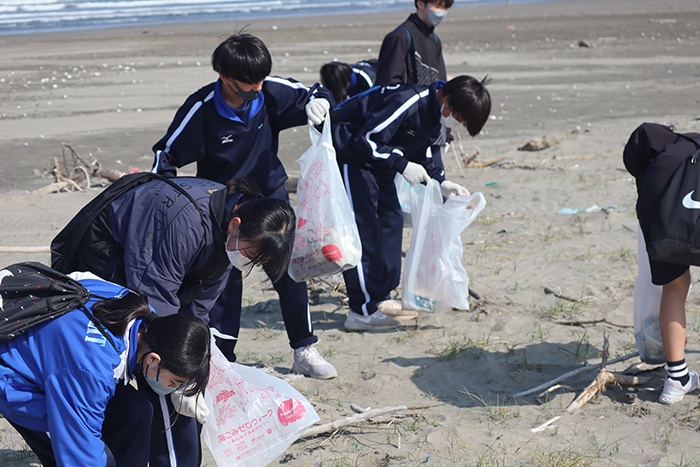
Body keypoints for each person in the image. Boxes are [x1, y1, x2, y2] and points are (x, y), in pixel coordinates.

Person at [51, 176, 294, 467]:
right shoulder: (184, 221)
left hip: (160, 277)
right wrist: (179, 366)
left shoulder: (230, 233)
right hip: (109, 264)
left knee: (189, 369)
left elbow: (203, 300)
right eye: (251, 254)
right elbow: (154, 298)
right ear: (235, 224)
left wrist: (201, 349)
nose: (248, 262)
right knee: (161, 366)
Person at [151, 33, 337, 381]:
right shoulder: (201, 108)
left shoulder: (268, 92)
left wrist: (321, 103)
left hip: (271, 200)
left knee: (289, 273)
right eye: (249, 85)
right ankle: (224, 360)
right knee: (222, 284)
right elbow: (167, 155)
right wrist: (164, 201)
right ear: (224, 77)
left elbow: (315, 93)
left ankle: (303, 348)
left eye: (261, 81)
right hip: (224, 210)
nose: (257, 89)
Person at [0, 270, 210, 467]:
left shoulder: (142, 313)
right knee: (79, 453)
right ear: (154, 359)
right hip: (17, 376)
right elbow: (80, 451)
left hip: (61, 367)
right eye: (174, 382)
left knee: (137, 412)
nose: (171, 388)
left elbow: (78, 276)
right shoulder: (92, 370)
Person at [331, 75, 491, 330]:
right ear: (447, 101)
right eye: (460, 118)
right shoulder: (408, 101)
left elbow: (422, 152)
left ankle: (381, 298)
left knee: (391, 221)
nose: (457, 125)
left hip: (378, 163)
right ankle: (361, 311)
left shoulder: (433, 114)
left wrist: (441, 183)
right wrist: (402, 164)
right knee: (365, 231)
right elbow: (367, 140)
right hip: (351, 155)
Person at [624, 122, 700, 404]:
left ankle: (676, 381)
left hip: (659, 204)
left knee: (675, 286)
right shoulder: (684, 144)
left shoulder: (653, 170)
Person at [374, 0, 453, 88]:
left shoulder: (435, 40)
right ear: (420, 3)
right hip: (405, 100)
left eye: (446, 7)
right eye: (439, 5)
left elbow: (441, 82)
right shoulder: (399, 37)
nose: (443, 11)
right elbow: (387, 85)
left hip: (428, 101)